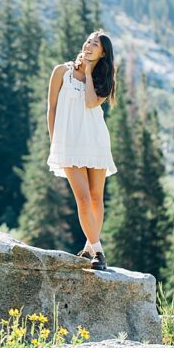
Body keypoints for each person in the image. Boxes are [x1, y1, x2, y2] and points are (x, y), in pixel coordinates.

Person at [45, 30, 118, 270]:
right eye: (88, 41)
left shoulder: (103, 79)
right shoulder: (61, 72)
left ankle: (90, 246)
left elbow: (89, 103)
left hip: (94, 140)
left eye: (94, 44)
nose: (88, 45)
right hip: (68, 144)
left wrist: (87, 73)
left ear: (103, 53)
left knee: (97, 197)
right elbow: (52, 109)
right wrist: (55, 142)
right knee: (83, 197)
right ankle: (99, 252)